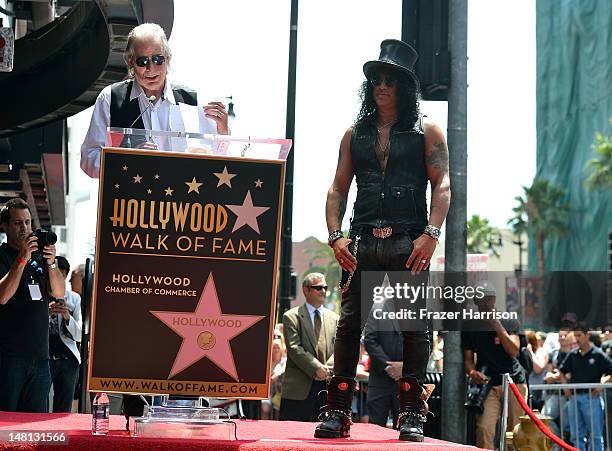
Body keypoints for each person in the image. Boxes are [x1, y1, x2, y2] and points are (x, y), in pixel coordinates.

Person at [316, 39, 450, 441]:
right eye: (376, 77)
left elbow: (442, 184)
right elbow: (337, 190)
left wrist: (431, 233)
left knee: (414, 329)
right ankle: (337, 411)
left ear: (405, 86)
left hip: (409, 240)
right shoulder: (353, 134)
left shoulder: (427, 130)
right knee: (348, 326)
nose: (382, 84)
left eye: (391, 78)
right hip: (362, 242)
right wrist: (335, 236)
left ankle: (411, 413)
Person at [80, 22, 230, 178]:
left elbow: (218, 161)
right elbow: (88, 159)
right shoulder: (111, 98)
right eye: (143, 61)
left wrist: (224, 133)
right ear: (131, 62)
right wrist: (127, 160)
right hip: (131, 200)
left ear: (168, 59)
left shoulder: (192, 101)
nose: (151, 68)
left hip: (179, 199)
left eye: (158, 59)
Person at [0, 198, 65, 412]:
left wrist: (52, 263)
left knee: (35, 427)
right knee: (5, 424)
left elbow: (58, 292)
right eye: (18, 223)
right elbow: (2, 296)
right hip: (9, 358)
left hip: (40, 357)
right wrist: (21, 260)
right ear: (5, 226)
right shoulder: (2, 256)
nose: (25, 228)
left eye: (28, 222)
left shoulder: (38, 256)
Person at [462, 285, 529, 450]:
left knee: (514, 432)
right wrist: (472, 372)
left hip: (514, 382)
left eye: (488, 298)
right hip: (488, 384)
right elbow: (468, 359)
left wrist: (496, 324)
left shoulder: (509, 319)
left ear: (494, 299)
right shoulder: (471, 325)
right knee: (485, 428)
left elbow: (513, 351)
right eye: (481, 299)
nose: (485, 302)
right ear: (476, 301)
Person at [280, 273, 338, 422]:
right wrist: (315, 368)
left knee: (325, 441)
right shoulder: (291, 316)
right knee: (291, 438)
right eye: (318, 288)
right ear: (306, 290)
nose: (323, 291)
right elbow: (294, 348)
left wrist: (327, 369)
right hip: (299, 390)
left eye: (325, 287)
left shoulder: (335, 318)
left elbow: (340, 348)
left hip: (327, 389)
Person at [558, 323, 612, 451]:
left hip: (592, 399)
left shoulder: (598, 354)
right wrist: (565, 387)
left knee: (596, 436)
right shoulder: (573, 354)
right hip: (574, 398)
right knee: (576, 435)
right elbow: (561, 371)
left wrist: (602, 386)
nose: (577, 339)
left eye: (579, 335)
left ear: (587, 335)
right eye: (575, 336)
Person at [48, 256, 82, 413]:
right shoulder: (40, 294)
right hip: (44, 358)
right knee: (39, 405)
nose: (57, 280)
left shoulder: (74, 298)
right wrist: (46, 313)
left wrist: (67, 316)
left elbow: (80, 335)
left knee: (63, 409)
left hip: (68, 359)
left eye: (62, 276)